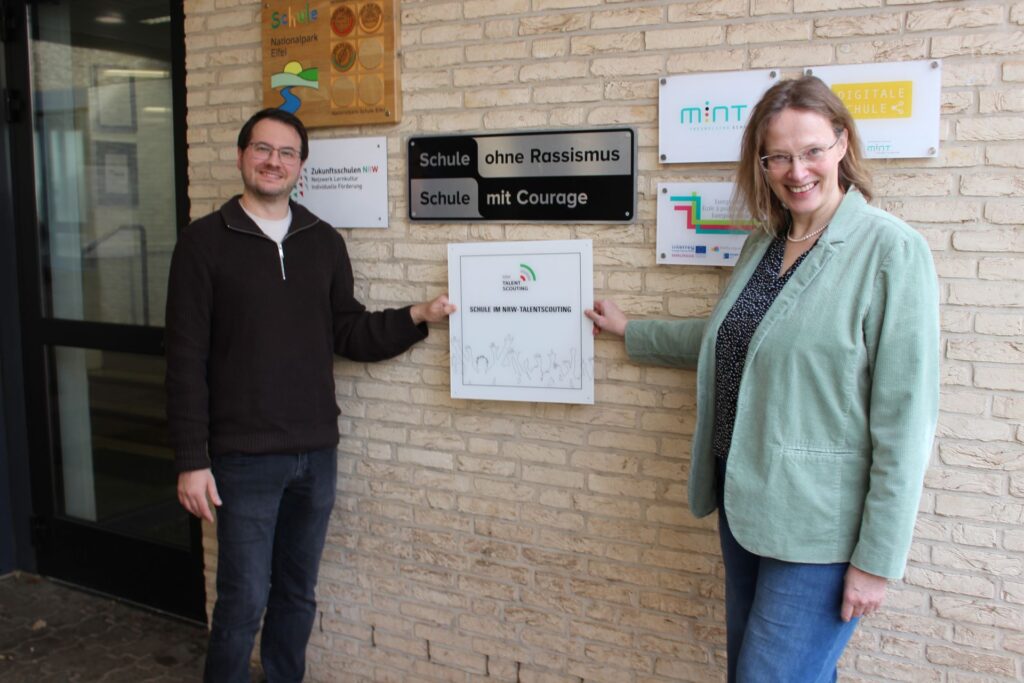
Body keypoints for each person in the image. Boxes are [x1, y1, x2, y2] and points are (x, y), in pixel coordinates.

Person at [586, 76, 938, 682]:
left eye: (812, 151)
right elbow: (739, 340)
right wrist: (631, 331)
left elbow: (907, 420)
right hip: (744, 504)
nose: (796, 171)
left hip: (819, 529)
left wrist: (877, 560)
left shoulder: (890, 251)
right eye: (778, 156)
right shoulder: (764, 243)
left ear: (842, 143)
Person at [166, 108, 455, 683]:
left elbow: (347, 332)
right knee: (243, 601)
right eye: (262, 149)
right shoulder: (203, 243)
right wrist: (192, 460)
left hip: (316, 454)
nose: (273, 161)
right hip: (243, 458)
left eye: (287, 153)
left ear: (301, 166)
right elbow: (184, 360)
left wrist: (418, 315)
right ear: (242, 155)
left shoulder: (322, 241)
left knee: (297, 594)